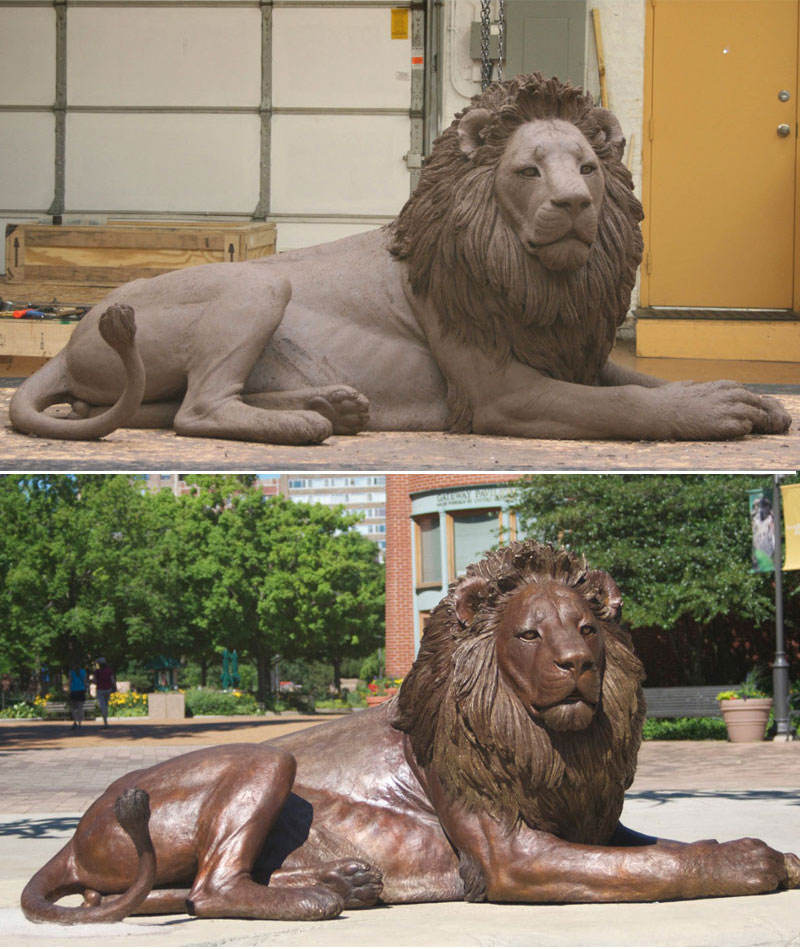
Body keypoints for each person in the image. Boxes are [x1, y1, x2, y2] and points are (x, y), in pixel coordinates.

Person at [93, 657, 116, 728]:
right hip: (108, 689)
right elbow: (112, 680)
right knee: (105, 705)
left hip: (100, 689)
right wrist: (114, 687)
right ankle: (105, 721)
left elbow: (94, 681)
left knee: (102, 706)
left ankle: (105, 722)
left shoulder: (97, 672)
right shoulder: (109, 670)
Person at [67, 661, 88, 730]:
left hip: (73, 691)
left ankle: (75, 721)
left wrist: (68, 691)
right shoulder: (83, 672)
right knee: (80, 708)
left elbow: (70, 682)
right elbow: (85, 682)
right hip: (81, 691)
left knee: (73, 708)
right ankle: (80, 723)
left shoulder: (71, 672)